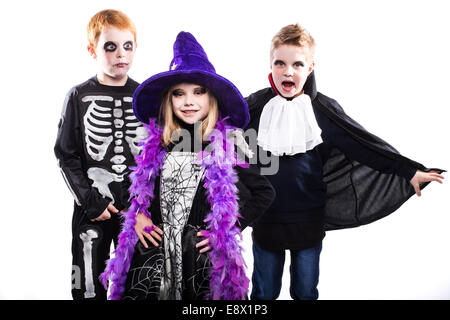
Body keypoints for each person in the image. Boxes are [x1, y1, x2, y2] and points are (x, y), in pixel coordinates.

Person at [245, 23, 445, 300]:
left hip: (308, 222)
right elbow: (214, 131)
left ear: (310, 68)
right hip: (266, 220)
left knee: (305, 292)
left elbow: (363, 145)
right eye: (280, 63)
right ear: (270, 64)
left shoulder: (323, 111)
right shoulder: (253, 108)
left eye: (297, 64)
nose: (287, 71)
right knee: (263, 294)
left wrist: (408, 171)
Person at [100, 31, 275, 300]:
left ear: (211, 98)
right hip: (154, 258)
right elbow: (126, 185)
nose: (189, 101)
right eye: (179, 94)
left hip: (200, 261)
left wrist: (228, 229)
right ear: (169, 101)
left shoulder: (226, 147)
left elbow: (265, 192)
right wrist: (137, 216)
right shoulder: (157, 145)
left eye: (199, 92)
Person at [54, 9, 145, 300]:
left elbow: (155, 154)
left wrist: (145, 205)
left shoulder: (145, 96)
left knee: (138, 282)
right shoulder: (77, 96)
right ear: (93, 50)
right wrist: (90, 201)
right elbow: (65, 155)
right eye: (111, 46)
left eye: (127, 46)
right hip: (91, 206)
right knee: (87, 284)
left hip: (135, 209)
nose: (121, 54)